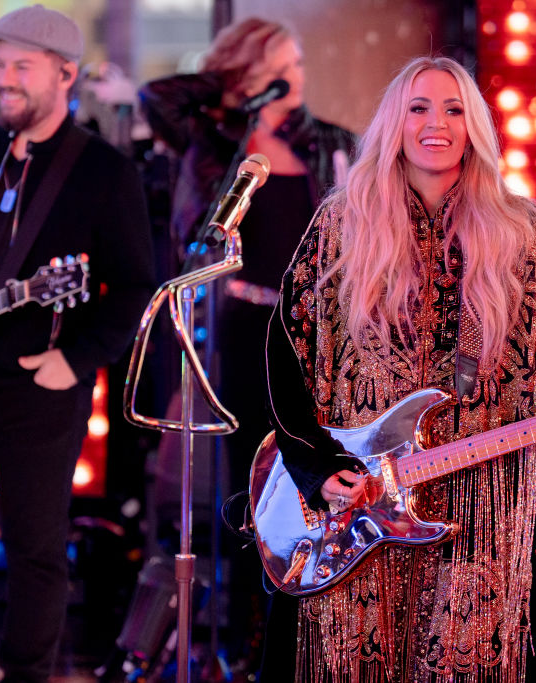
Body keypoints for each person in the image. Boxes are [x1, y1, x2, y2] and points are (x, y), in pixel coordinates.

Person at [265, 55, 536, 682]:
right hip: (364, 497)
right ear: (395, 123)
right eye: (419, 108)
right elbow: (287, 351)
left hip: (483, 504)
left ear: (474, 128)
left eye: (454, 109)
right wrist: (316, 467)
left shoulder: (523, 231)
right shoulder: (341, 223)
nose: (436, 123)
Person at [0, 6, 156, 683]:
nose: (4, 78)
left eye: (22, 66)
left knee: (36, 551)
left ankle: (24, 675)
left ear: (65, 75)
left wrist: (74, 361)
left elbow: (133, 286)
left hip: (39, 386)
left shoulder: (104, 172)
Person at [139, 17, 356, 672]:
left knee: (315, 468)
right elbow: (160, 97)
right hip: (244, 326)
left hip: (316, 332)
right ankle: (245, 637)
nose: (294, 79)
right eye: (277, 68)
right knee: (249, 483)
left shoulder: (325, 142)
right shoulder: (215, 141)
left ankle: (313, 619)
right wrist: (235, 97)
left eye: (297, 65)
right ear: (243, 75)